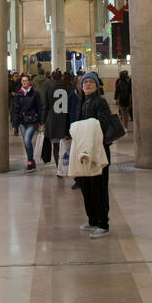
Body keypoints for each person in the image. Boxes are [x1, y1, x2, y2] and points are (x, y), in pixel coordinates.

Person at [73, 71, 113, 237]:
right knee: (86, 186)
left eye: (91, 82)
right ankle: (92, 219)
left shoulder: (100, 102)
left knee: (98, 187)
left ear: (96, 86)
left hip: (98, 150)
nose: (87, 85)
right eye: (85, 82)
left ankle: (103, 223)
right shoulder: (83, 102)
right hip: (85, 150)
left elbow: (102, 124)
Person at [44, 69, 78, 172]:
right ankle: (68, 166)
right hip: (65, 120)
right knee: (67, 145)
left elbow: (46, 107)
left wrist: (43, 121)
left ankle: (59, 168)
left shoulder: (49, 88)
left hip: (53, 120)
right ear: (61, 77)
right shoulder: (68, 88)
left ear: (52, 78)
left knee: (56, 146)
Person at [11, 72, 42, 171]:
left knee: (27, 140)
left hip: (32, 121)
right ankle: (31, 160)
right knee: (26, 142)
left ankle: (30, 161)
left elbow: (39, 108)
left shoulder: (35, 94)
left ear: (29, 82)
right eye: (23, 81)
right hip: (22, 122)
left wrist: (41, 122)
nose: (24, 82)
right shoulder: (18, 95)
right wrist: (14, 124)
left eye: (26, 81)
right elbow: (15, 110)